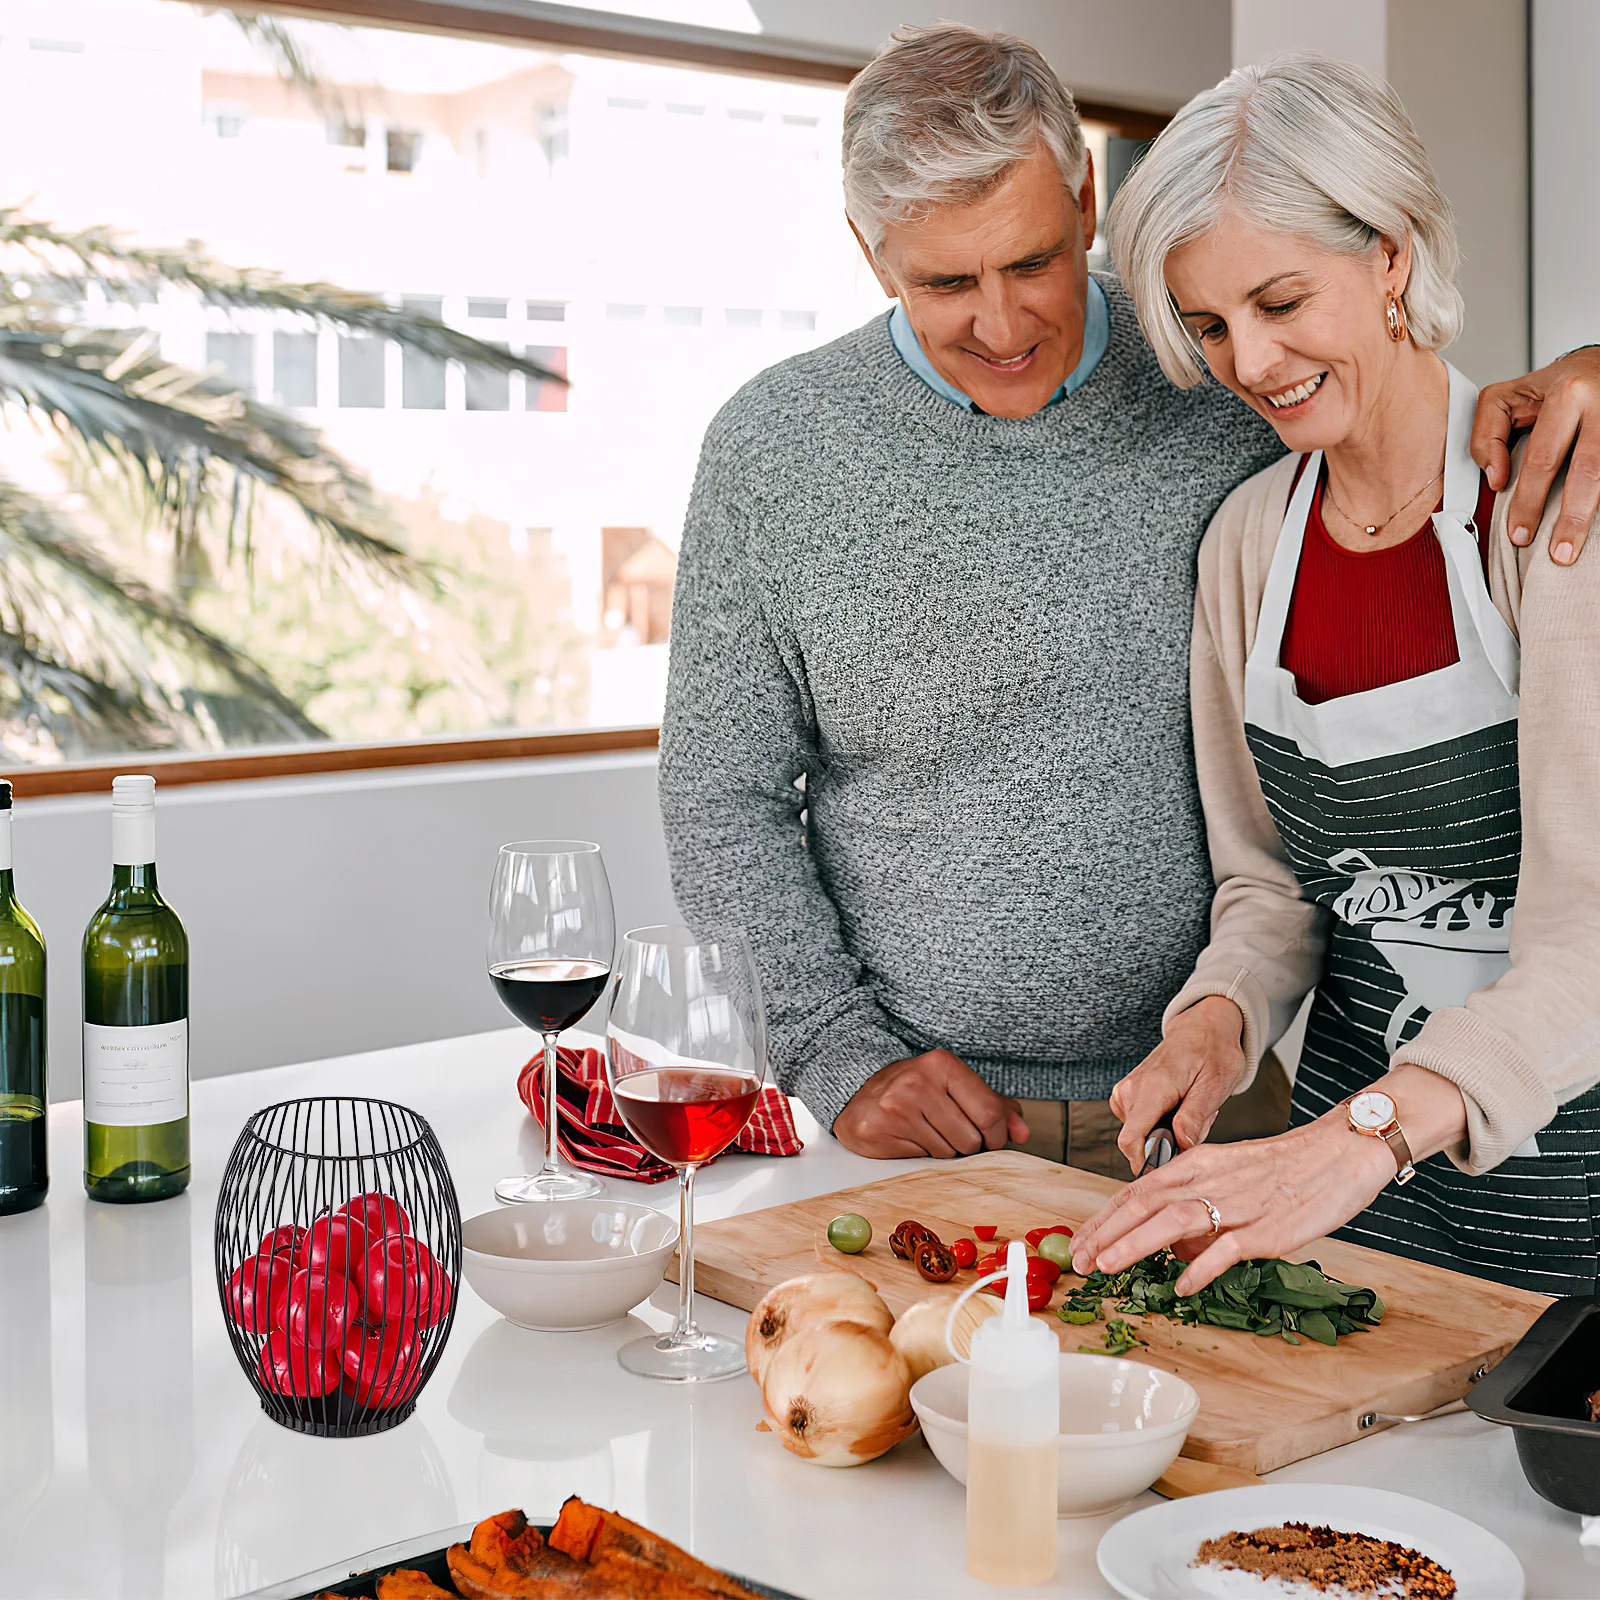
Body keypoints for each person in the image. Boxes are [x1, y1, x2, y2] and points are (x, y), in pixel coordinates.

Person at [659, 24, 1600, 1176]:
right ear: (869, 252)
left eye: (1035, 262)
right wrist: (832, 1052)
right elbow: (720, 797)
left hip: (1219, 1109)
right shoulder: (775, 452)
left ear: (1085, 192)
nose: (1002, 327)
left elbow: (1401, 411)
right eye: (946, 284)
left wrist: (1586, 372)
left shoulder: (1215, 385)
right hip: (917, 1121)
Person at [1071, 54, 1600, 1298]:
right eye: (1208, 324)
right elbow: (1274, 886)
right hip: (1345, 1225)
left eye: (1280, 300)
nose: (1248, 361)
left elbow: (1592, 938)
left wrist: (1360, 1138)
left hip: (1565, 1218)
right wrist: (1216, 1021)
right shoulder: (1248, 545)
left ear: (1391, 258)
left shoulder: (1553, 515)